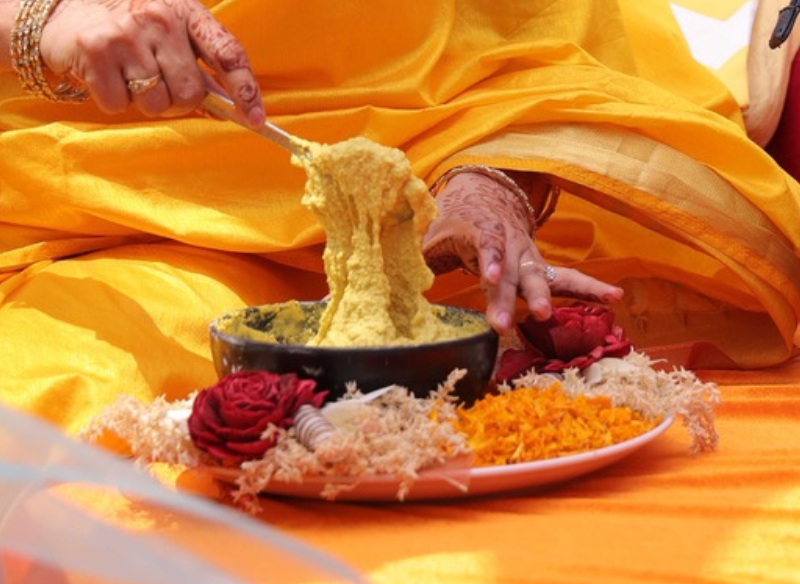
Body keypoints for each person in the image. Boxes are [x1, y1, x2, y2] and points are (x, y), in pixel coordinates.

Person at [0, 0, 798, 436]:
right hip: (77, 198)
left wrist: (492, 182)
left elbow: (549, 50)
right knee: (53, 399)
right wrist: (45, 24)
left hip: (421, 208)